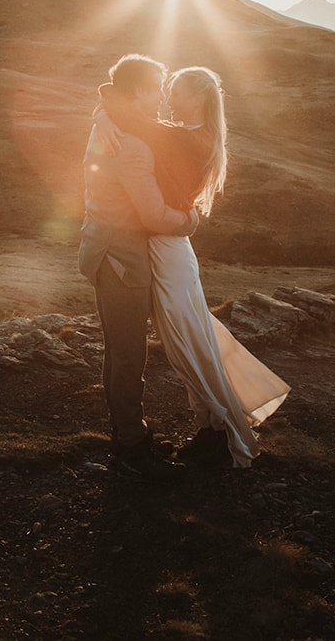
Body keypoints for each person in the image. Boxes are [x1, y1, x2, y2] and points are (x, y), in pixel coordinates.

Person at [96, 65, 289, 469]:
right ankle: (213, 425)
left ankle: (220, 429)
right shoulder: (193, 134)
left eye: (177, 93)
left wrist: (103, 111)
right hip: (171, 248)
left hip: (168, 250)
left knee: (189, 343)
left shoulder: (182, 138)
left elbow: (128, 113)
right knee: (192, 338)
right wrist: (102, 114)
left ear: (198, 97)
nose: (168, 100)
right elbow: (130, 113)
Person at [78, 54, 199, 480]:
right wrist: (189, 220)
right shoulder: (127, 141)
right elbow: (151, 217)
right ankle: (131, 444)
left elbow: (108, 107)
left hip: (101, 249)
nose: (161, 97)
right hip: (121, 258)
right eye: (156, 88)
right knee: (129, 353)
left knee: (118, 349)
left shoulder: (113, 122)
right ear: (139, 91)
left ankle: (127, 433)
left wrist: (101, 115)